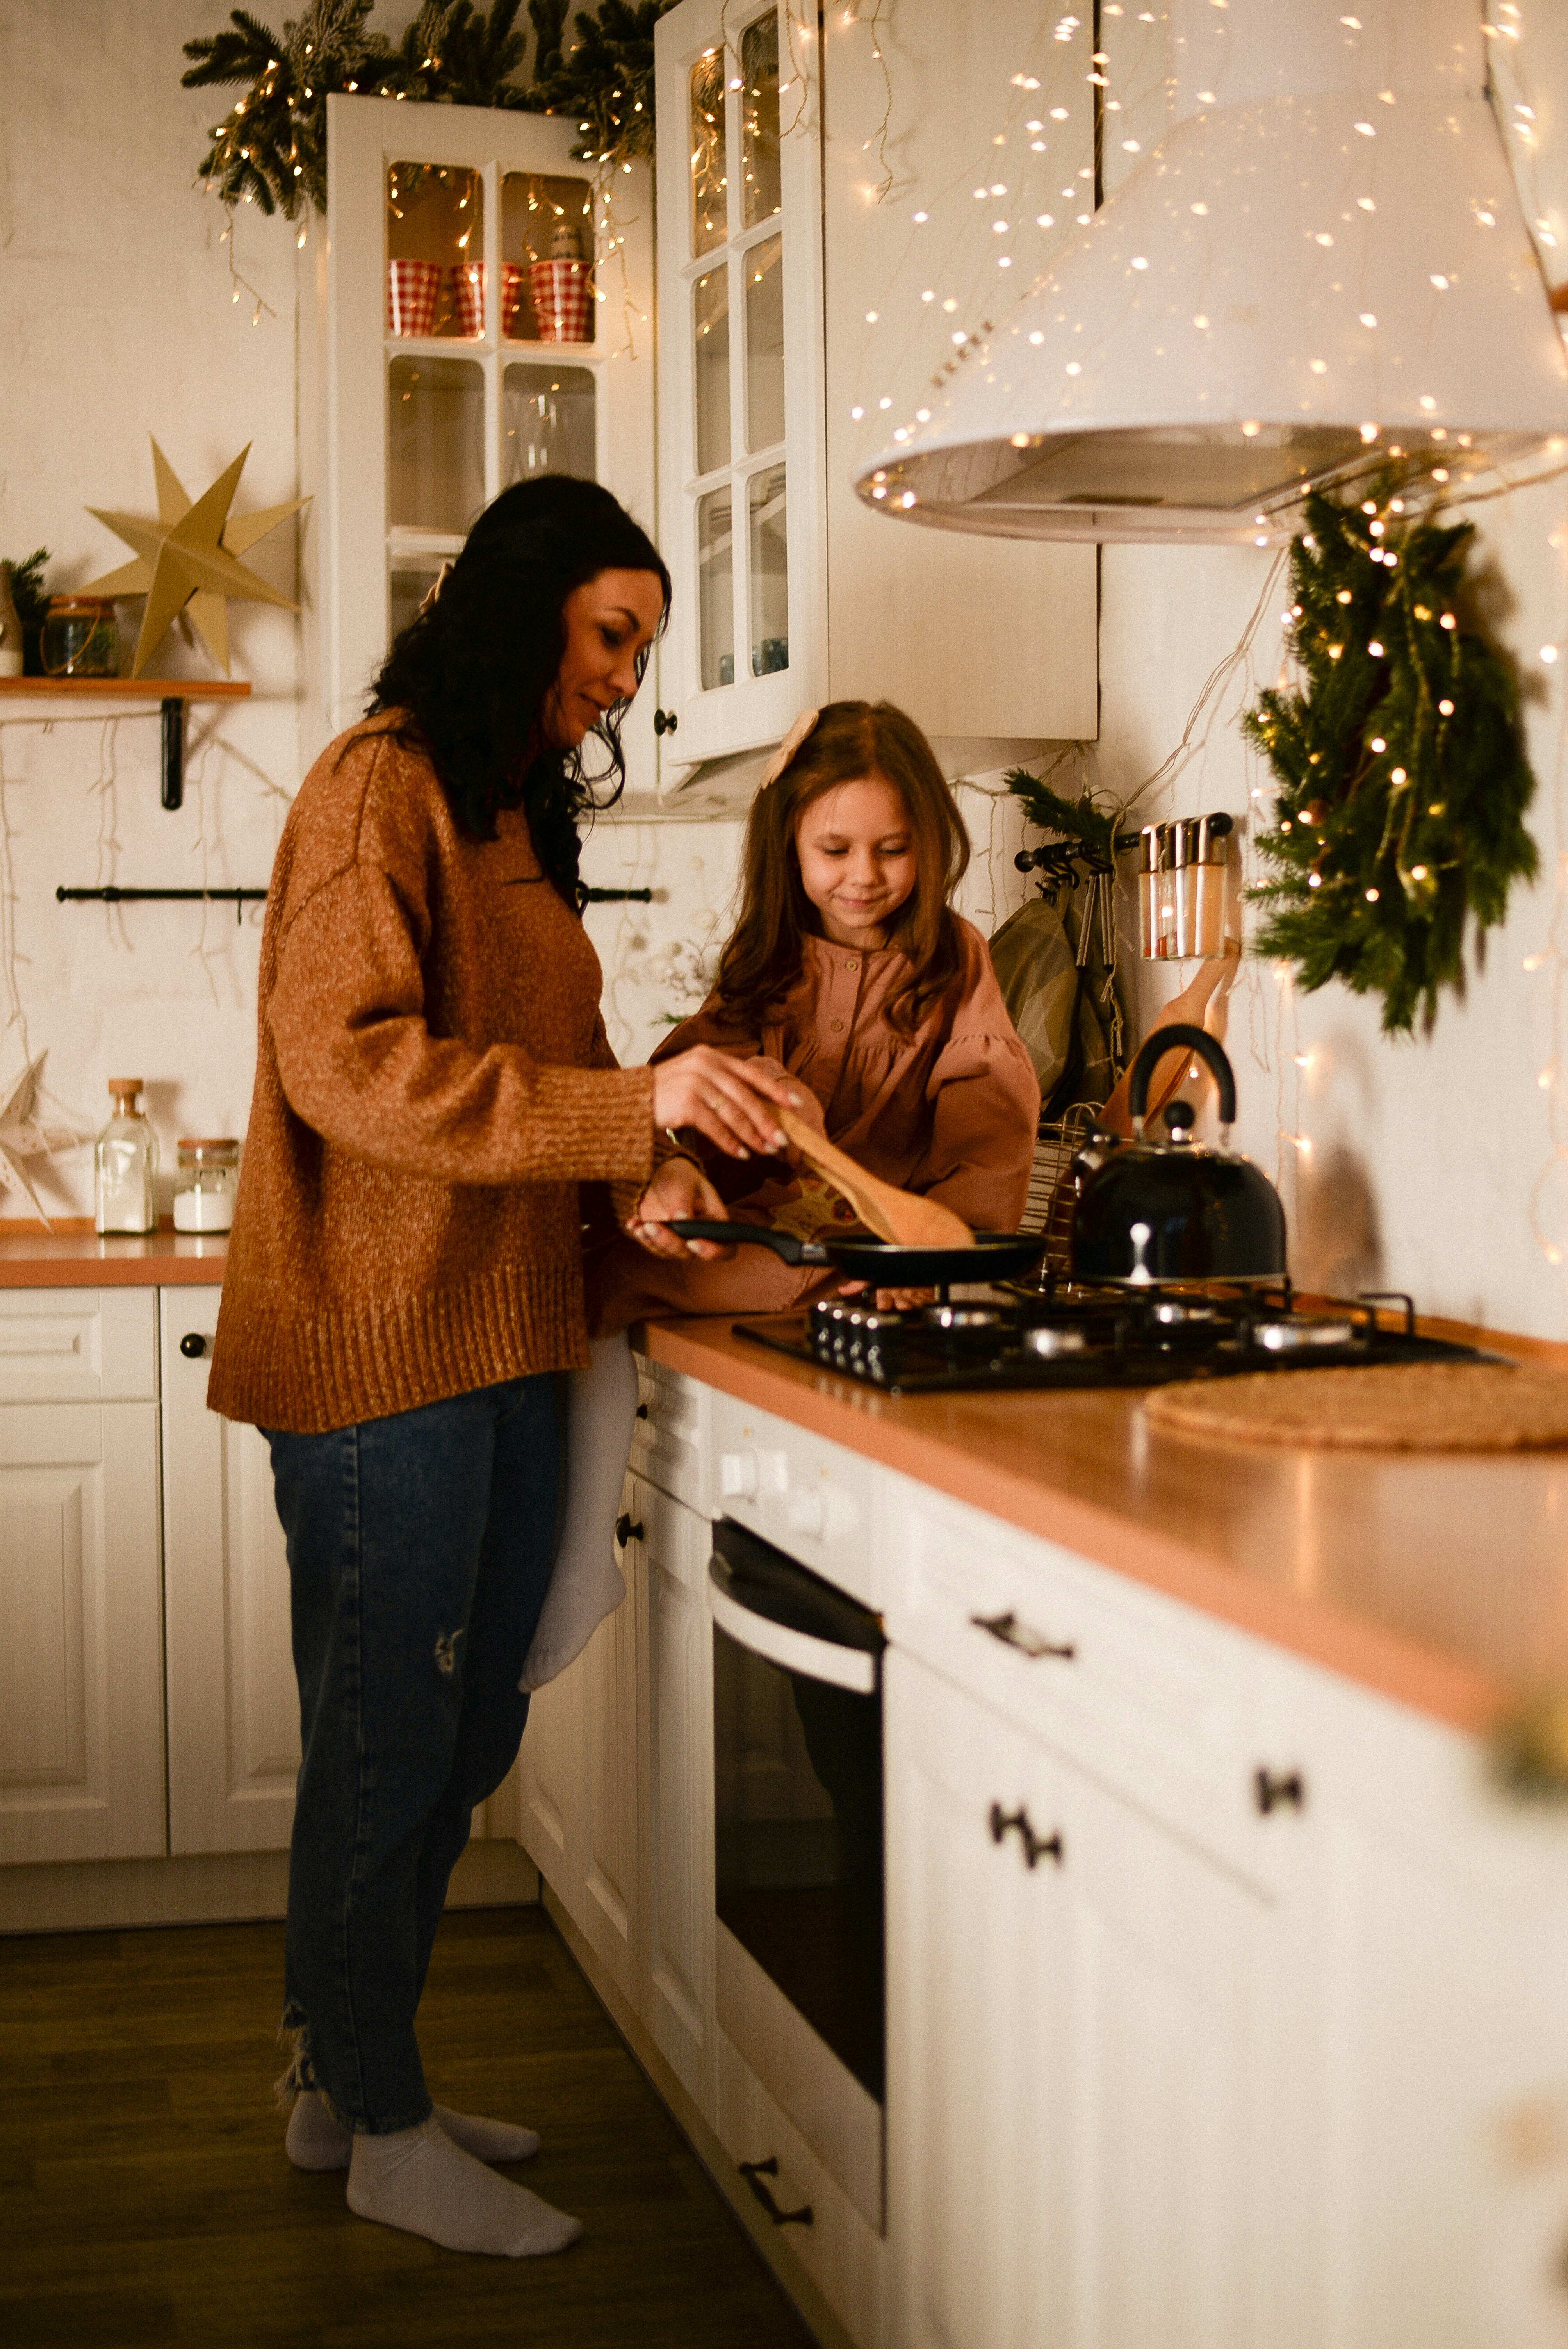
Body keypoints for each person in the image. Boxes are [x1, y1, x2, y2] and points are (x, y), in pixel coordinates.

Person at [205, 476, 797, 2262]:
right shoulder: (376, 783)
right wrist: (630, 1110)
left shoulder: (498, 816)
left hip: (509, 1333)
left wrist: (653, 1165)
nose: (625, 675)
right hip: (390, 1350)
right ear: (522, 605)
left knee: (451, 1732)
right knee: (393, 1744)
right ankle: (381, 2119)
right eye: (611, 632)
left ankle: (346, 2081)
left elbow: (562, 1061)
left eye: (642, 646)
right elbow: (346, 1059)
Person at [591, 698, 1041, 1330]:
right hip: (764, 1243)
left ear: (930, 842)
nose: (864, 876)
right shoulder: (765, 954)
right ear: (790, 846)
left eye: (892, 849)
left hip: (881, 1253)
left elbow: (988, 1128)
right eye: (835, 850)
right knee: (609, 1271)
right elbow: (690, 1093)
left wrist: (934, 1257)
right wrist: (768, 1092)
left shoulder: (953, 958)